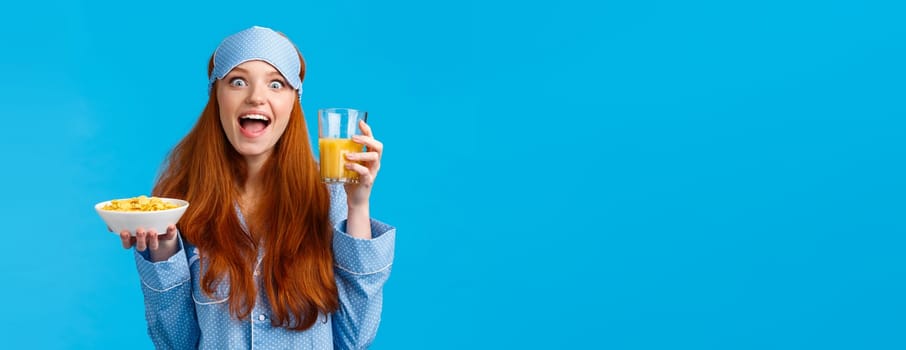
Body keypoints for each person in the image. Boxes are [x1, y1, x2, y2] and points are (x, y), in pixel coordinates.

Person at [115, 26, 395, 349]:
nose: (256, 97)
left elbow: (355, 338)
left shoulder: (330, 196)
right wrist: (163, 250)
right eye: (237, 81)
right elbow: (176, 342)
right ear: (216, 96)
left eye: (276, 84)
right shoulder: (181, 201)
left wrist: (358, 206)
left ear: (294, 102)